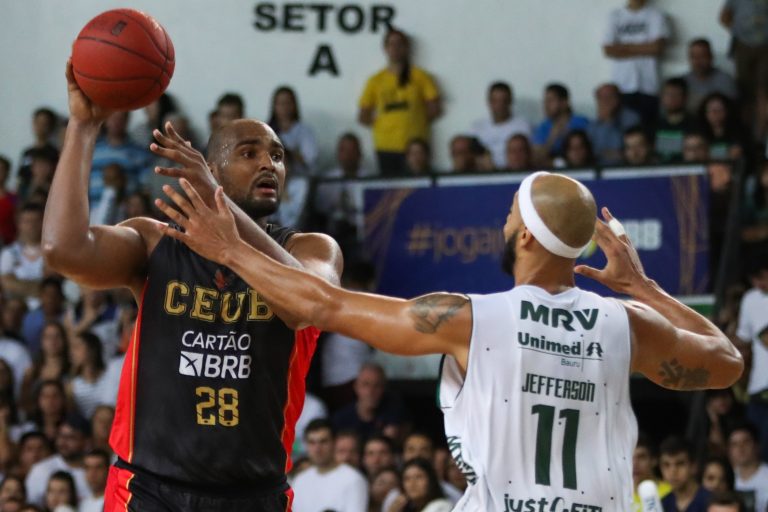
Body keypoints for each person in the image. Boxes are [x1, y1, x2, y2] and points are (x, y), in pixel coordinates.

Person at [156, 169, 744, 511]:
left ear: (527, 237)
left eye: (511, 214)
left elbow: (322, 304)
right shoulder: (628, 323)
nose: (504, 222)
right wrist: (644, 287)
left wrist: (228, 249)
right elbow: (726, 362)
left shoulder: (468, 318)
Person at [41, 60, 342, 511]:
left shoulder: (312, 249)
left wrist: (226, 225)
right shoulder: (155, 241)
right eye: (249, 153)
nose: (268, 163)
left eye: (277, 155)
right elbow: (62, 249)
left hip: (252, 493)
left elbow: (307, 305)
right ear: (212, 171)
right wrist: (83, 127)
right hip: (146, 488)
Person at [358, 28, 441, 175]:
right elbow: (363, 115)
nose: (395, 48)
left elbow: (434, 108)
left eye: (399, 44)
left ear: (407, 47)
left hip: (415, 147)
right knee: (390, 188)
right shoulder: (375, 80)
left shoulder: (421, 77)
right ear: (385, 48)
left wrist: (415, 121)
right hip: (386, 146)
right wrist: (384, 124)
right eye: (391, 44)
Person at [603, 0, 670, 127]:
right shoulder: (614, 16)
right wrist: (645, 47)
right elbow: (608, 50)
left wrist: (623, 47)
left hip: (649, 86)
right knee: (623, 132)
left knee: (648, 131)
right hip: (622, 87)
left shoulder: (656, 15)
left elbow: (657, 48)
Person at [291, 419, 368, 512]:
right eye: (312, 442)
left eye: (323, 442)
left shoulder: (353, 479)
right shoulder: (299, 480)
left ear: (335, 443)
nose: (317, 449)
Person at [735, 257, 768, 460]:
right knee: (756, 453)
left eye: (762, 277)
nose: (759, 283)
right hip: (758, 388)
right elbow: (743, 340)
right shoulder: (750, 300)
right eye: (754, 279)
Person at [470, 82, 531, 169]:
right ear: (489, 102)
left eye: (504, 101)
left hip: (514, 172)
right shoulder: (477, 127)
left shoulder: (523, 126)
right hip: (484, 173)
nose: (500, 105)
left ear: (510, 101)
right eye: (495, 101)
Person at [532, 83, 590, 165]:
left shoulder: (581, 123)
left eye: (550, 101)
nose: (546, 105)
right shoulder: (543, 127)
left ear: (564, 102)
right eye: (545, 101)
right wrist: (553, 137)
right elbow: (536, 158)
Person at [267, 86, 318, 177]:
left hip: (298, 177)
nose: (284, 107)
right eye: (280, 103)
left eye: (288, 103)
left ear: (294, 105)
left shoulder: (304, 131)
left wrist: (288, 152)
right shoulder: (267, 131)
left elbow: (309, 160)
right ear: (274, 106)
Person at [587, 83, 642, 165]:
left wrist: (610, 119)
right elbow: (591, 152)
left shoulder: (631, 118)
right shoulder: (592, 125)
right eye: (602, 98)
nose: (606, 101)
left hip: (626, 166)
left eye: (609, 97)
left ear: (618, 98)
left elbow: (631, 149)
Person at [683, 39, 738, 114]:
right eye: (694, 57)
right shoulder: (683, 81)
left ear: (711, 57)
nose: (698, 61)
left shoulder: (725, 81)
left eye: (702, 56)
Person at [659, 436, 712, 512]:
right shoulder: (662, 505)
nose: (673, 471)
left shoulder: (711, 502)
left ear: (693, 466)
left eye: (680, 464)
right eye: (666, 465)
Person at [727, 422, 768, 512]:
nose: (740, 448)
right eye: (734, 444)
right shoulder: (726, 477)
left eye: (746, 442)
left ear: (757, 445)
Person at [655, 77, 695, 162]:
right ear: (662, 97)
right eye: (668, 94)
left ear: (685, 98)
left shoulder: (695, 125)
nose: (672, 98)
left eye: (676, 95)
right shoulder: (653, 125)